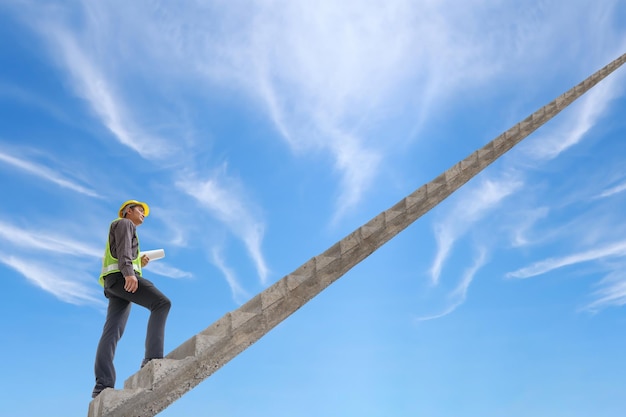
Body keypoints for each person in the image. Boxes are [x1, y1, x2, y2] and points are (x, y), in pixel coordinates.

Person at [92, 200, 171, 398]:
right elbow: (124, 253)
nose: (144, 214)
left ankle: (102, 386)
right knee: (161, 303)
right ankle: (152, 358)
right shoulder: (125, 224)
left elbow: (122, 251)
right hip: (122, 278)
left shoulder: (122, 227)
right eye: (140, 210)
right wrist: (130, 273)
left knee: (112, 332)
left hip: (114, 283)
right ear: (128, 211)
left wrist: (139, 263)